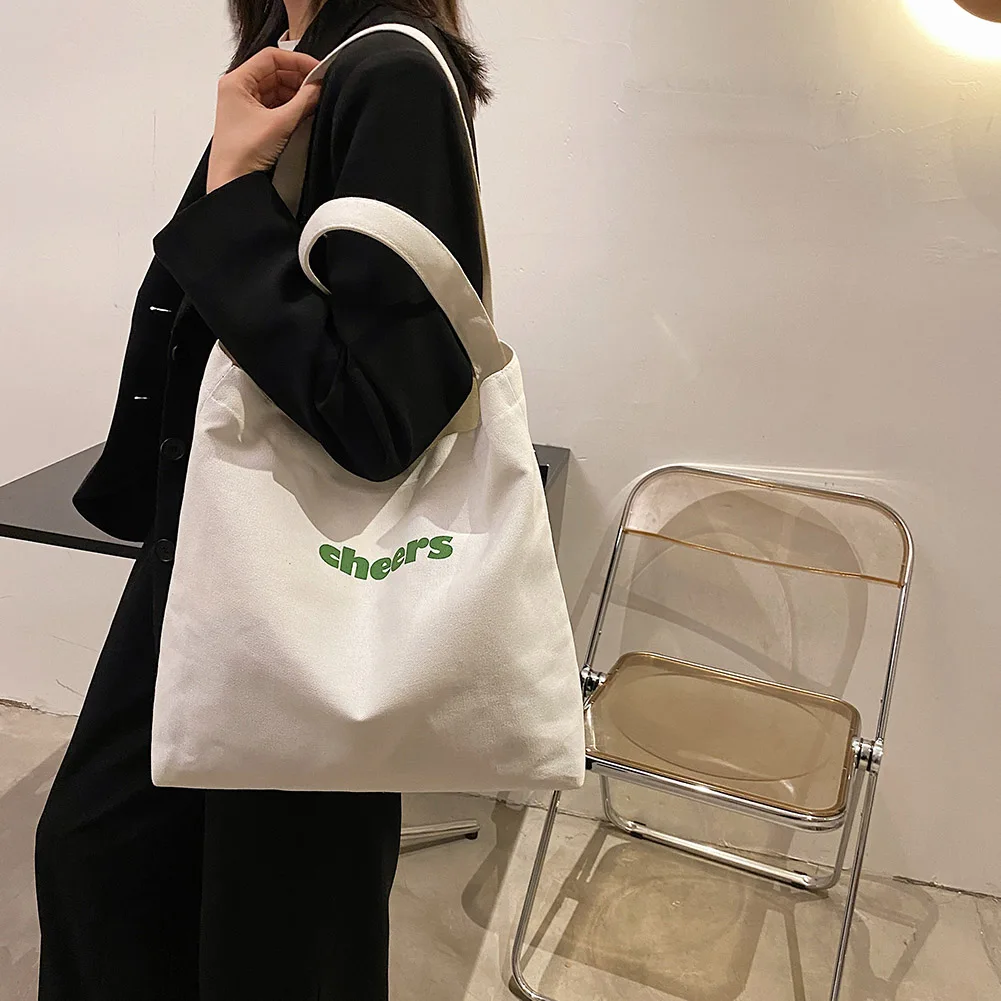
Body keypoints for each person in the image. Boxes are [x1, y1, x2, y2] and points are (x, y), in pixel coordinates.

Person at [33, 1, 490, 998]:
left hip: (298, 587)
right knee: (106, 866)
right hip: (209, 558)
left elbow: (385, 409)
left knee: (271, 934)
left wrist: (233, 193)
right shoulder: (284, 53)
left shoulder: (390, 74)